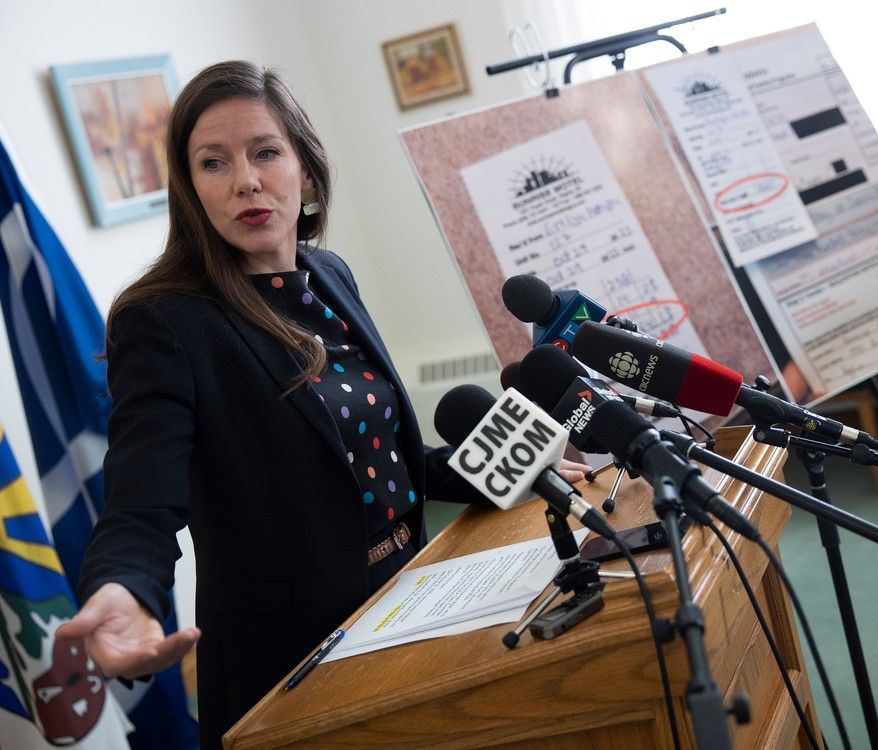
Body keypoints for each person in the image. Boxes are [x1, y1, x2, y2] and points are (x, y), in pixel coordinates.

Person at [56, 60, 590, 749]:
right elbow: (140, 505)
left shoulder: (327, 275)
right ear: (192, 190)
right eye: (213, 163)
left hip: (409, 595)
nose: (245, 179)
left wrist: (515, 468)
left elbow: (382, 460)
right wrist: (122, 591)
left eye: (265, 153)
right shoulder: (165, 322)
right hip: (292, 655)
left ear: (304, 171)